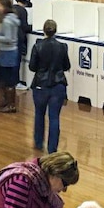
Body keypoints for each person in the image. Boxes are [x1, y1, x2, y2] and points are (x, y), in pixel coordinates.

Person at [29, 19, 70, 153]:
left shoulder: (37, 46)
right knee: (54, 117)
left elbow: (32, 67)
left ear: (44, 30)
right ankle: (52, 148)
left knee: (39, 114)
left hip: (41, 85)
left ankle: (38, 142)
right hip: (58, 85)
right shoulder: (63, 46)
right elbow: (66, 66)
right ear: (55, 30)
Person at [12, 0, 32, 89]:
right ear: (26, 3)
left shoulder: (11, 8)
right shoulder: (23, 11)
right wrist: (33, 27)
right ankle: (16, 82)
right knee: (16, 61)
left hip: (9, 39)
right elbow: (24, 27)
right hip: (17, 39)